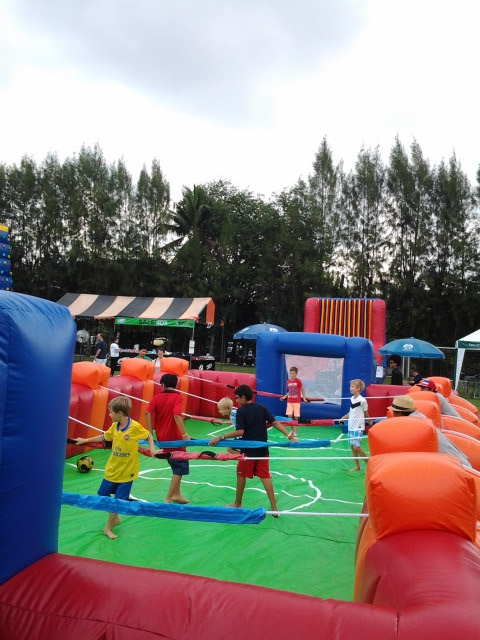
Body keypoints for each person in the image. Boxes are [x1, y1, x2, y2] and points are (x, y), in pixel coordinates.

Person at [74, 396, 156, 539]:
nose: (109, 414)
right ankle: (115, 517)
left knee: (117, 502)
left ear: (119, 413)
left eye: (111, 412)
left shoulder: (134, 427)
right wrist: (85, 440)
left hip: (126, 474)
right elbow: (104, 437)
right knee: (102, 495)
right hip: (112, 470)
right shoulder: (114, 427)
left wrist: (152, 450)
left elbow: (148, 435)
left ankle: (108, 528)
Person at [209, 384, 295, 515]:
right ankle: (274, 508)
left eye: (237, 398)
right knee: (265, 476)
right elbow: (274, 422)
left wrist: (221, 436)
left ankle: (237, 503)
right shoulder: (261, 407)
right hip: (262, 449)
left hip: (248, 450)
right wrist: (290, 436)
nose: (236, 401)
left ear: (243, 397)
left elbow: (240, 431)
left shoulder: (241, 411)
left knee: (240, 474)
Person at [145, 373, 191, 504]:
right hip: (175, 439)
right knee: (180, 467)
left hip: (162, 439)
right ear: (175, 385)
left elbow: (147, 412)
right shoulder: (177, 397)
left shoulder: (156, 397)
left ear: (163, 385)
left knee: (175, 465)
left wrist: (150, 432)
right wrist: (184, 435)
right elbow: (177, 416)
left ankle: (177, 494)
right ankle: (168, 499)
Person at [388, 394, 471, 467]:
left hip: (457, 465)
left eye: (394, 412)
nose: (393, 416)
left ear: (399, 413)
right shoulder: (417, 417)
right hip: (457, 461)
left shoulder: (411, 424)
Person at [339, 379, 371, 472]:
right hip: (351, 426)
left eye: (352, 386)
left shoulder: (362, 400)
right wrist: (343, 418)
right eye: (350, 386)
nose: (350, 388)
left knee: (356, 447)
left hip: (358, 427)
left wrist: (369, 422)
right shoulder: (352, 399)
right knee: (352, 447)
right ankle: (357, 466)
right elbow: (351, 412)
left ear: (358, 388)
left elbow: (366, 413)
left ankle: (369, 465)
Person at [279, 366, 309, 437]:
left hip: (296, 401)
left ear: (296, 374)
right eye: (290, 373)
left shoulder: (298, 381)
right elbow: (289, 391)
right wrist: (284, 397)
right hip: (289, 401)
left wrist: (304, 398)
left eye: (293, 373)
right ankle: (292, 430)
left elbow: (302, 390)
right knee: (289, 416)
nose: (291, 375)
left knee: (296, 417)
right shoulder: (288, 382)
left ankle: (295, 431)